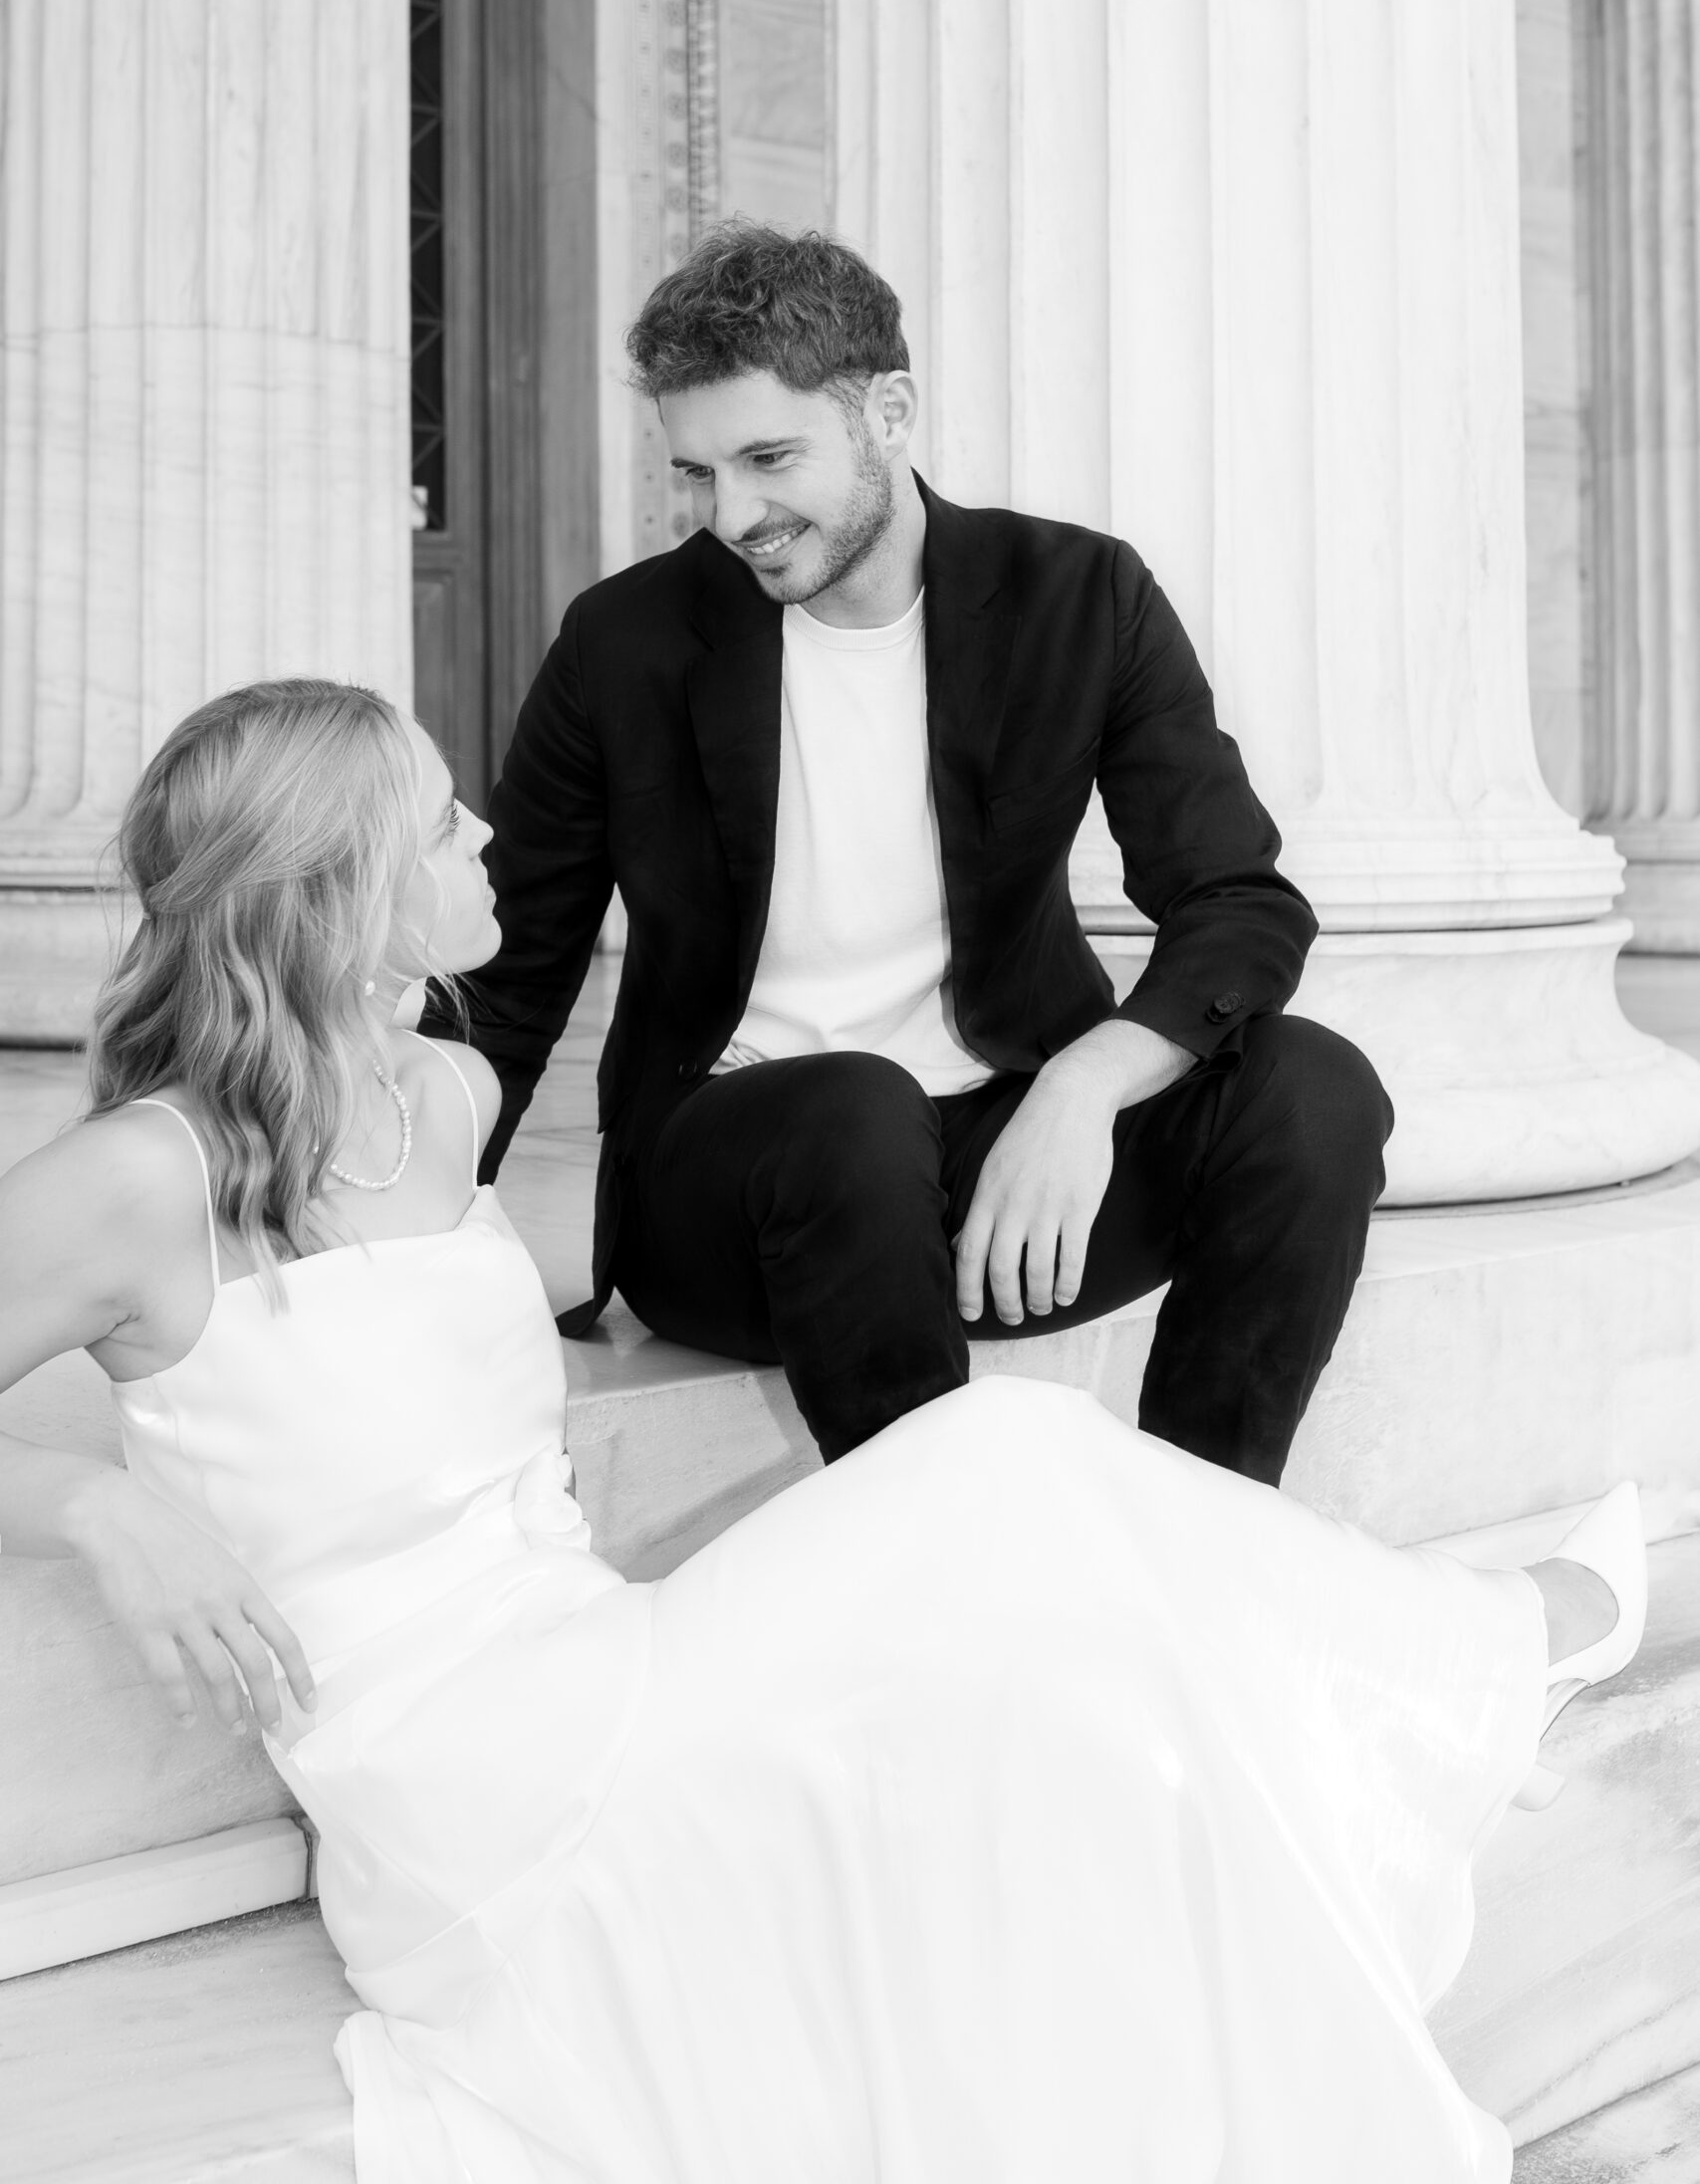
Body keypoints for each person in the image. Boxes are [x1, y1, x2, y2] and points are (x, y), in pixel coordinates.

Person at [0, 679, 1647, 2181]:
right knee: (1001, 1476)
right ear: (343, 892)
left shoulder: (442, 1096)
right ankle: (1487, 1653)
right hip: (461, 1793)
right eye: (441, 816)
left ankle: (1425, 1679)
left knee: (1053, 1670)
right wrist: (98, 1507)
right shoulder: (143, 1176)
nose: (486, 832)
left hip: (596, 1653)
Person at [441, 222, 1392, 1481]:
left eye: (770, 458)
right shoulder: (625, 642)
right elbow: (512, 969)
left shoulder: (1078, 595)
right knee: (854, 1106)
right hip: (742, 1192)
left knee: (1313, 1087)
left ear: (887, 411)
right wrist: (396, 1238)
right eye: (698, 472)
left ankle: (1206, 1529)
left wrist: (1085, 1083)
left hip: (1009, 1183)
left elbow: (1238, 900)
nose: (732, 515)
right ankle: (937, 1578)